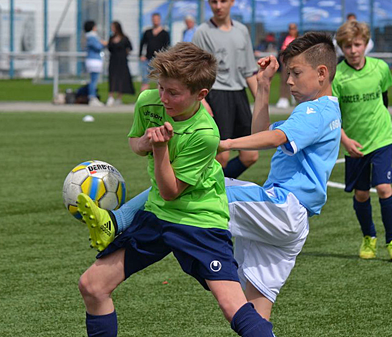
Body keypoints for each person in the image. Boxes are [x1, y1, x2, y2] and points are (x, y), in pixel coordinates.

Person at [81, 32, 342, 321]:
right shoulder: (325, 108)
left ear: (321, 73)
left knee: (206, 187)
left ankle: (117, 220)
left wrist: (227, 143)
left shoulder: (313, 110)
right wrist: (264, 84)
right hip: (292, 225)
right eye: (288, 73)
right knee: (255, 310)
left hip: (282, 206)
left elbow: (276, 137)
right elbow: (261, 133)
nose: (289, 80)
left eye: (295, 73)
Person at [75, 42, 275, 337]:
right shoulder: (149, 100)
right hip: (157, 214)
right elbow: (135, 142)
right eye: (162, 88)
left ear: (200, 95)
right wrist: (146, 142)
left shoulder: (205, 134)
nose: (164, 98)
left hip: (199, 221)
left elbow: (171, 190)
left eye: (174, 93)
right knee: (92, 286)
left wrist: (160, 149)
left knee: (232, 305)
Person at [332, 20, 392, 261]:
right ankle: (368, 237)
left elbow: (384, 100)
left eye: (357, 44)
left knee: (384, 188)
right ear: (341, 48)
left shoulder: (380, 68)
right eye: (347, 46)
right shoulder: (337, 76)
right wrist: (345, 140)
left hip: (382, 137)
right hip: (354, 143)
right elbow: (333, 115)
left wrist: (381, 126)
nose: (353, 50)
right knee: (362, 194)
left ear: (365, 44)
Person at [192, 0, 259, 179]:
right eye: (214, 2)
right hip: (216, 96)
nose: (218, 6)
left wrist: (261, 101)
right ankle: (212, 196)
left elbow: (249, 71)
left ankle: (219, 187)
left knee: (250, 155)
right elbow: (194, 73)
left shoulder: (242, 31)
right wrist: (202, 101)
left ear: (232, 1)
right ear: (209, 3)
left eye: (223, 1)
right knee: (220, 157)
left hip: (240, 96)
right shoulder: (202, 32)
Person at [139, 13, 170, 91]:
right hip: (148, 58)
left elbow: (167, 47)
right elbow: (142, 43)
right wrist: (141, 55)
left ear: (160, 20)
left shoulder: (165, 33)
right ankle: (144, 100)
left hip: (159, 60)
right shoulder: (147, 32)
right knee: (145, 80)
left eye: (157, 19)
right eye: (154, 19)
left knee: (160, 81)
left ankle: (158, 99)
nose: (155, 21)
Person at [107, 21, 134, 106]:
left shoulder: (124, 38)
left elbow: (130, 48)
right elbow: (109, 48)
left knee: (121, 79)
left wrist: (125, 54)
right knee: (112, 78)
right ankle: (110, 97)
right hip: (113, 61)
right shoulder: (111, 38)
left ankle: (119, 97)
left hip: (122, 61)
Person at [84, 20, 108, 107]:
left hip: (94, 60)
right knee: (93, 80)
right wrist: (103, 43)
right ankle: (92, 97)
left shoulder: (91, 37)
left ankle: (93, 97)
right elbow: (98, 47)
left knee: (94, 80)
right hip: (93, 60)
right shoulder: (91, 37)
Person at [276, 23, 299, 109]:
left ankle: (294, 98)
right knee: (284, 80)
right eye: (290, 28)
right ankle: (283, 98)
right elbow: (281, 50)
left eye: (293, 28)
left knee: (295, 81)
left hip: (296, 63)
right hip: (285, 63)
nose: (292, 30)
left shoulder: (298, 39)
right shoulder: (284, 38)